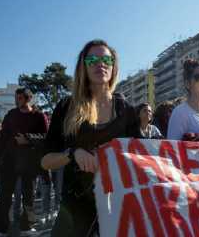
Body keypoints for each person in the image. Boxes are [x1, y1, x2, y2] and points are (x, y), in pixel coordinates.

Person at [40, 40, 137, 237]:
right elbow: (45, 161)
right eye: (92, 59)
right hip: (76, 207)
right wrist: (73, 153)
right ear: (83, 67)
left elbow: (149, 153)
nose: (100, 64)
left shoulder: (125, 109)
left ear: (113, 66)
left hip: (118, 204)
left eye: (106, 59)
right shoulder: (67, 107)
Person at [0, 88, 48, 236]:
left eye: (20, 98)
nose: (17, 100)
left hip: (29, 161)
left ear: (28, 99)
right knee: (4, 196)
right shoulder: (11, 114)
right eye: (16, 98)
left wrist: (28, 139)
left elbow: (46, 137)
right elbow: (2, 136)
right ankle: (0, 228)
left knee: (29, 195)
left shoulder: (39, 116)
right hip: (9, 161)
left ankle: (27, 227)